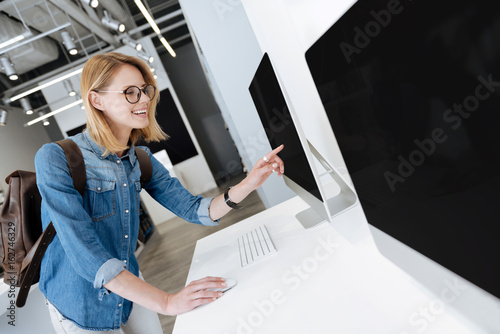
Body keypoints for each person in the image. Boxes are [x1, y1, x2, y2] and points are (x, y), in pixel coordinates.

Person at [34, 52, 284, 333]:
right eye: (130, 92)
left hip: (129, 283)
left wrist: (249, 182)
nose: (143, 99)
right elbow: (87, 255)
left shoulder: (141, 159)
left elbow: (194, 210)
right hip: (80, 304)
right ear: (97, 100)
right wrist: (166, 302)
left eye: (145, 90)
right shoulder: (55, 158)